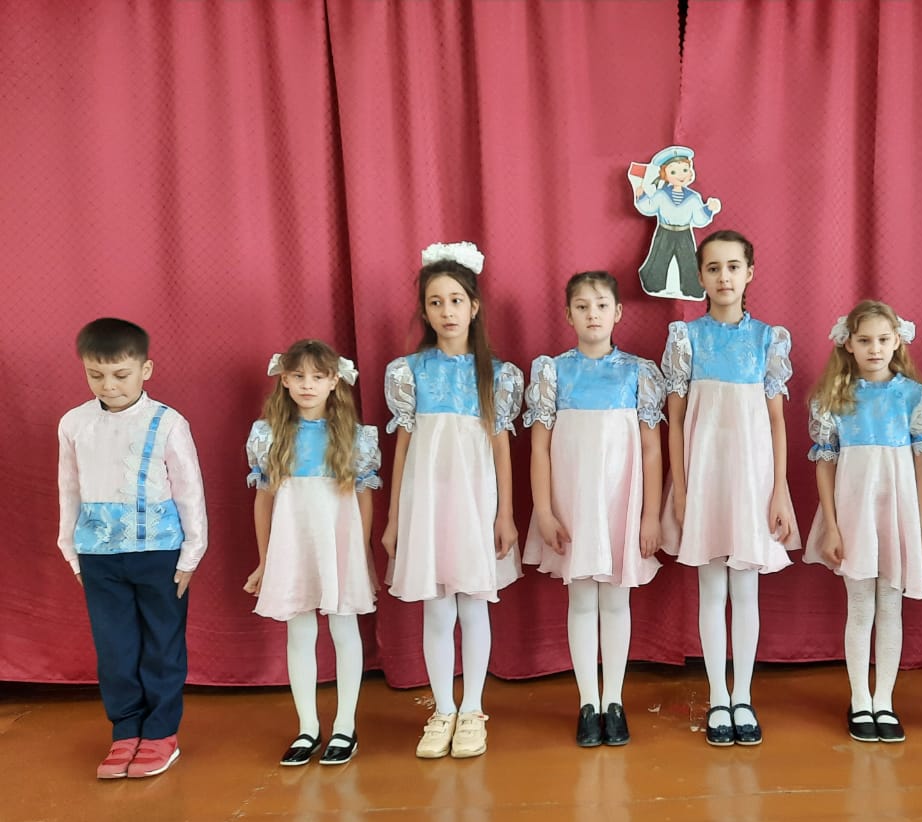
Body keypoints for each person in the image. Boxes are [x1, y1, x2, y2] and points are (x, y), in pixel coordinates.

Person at [383, 241, 523, 760]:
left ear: (474, 307)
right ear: (424, 311)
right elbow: (402, 449)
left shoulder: (498, 375)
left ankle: (473, 710)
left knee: (473, 605)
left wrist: (505, 514)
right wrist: (395, 519)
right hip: (426, 503)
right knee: (437, 610)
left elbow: (501, 448)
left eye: (456, 300)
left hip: (474, 502)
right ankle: (442, 708)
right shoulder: (409, 372)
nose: (447, 311)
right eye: (436, 302)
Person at [661, 229, 800, 746]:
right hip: (704, 476)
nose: (724, 277)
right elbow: (675, 422)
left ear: (749, 273)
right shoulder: (686, 338)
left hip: (752, 479)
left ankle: (743, 695)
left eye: (733, 267)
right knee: (711, 588)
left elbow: (777, 422)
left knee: (746, 589)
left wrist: (779, 490)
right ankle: (718, 696)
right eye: (714, 268)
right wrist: (681, 490)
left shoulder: (768, 339)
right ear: (700, 276)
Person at [57, 317, 207, 778]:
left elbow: (189, 490)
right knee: (115, 647)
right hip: (98, 556)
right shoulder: (75, 423)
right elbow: (69, 488)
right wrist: (70, 549)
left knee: (162, 644)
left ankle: (161, 733)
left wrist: (192, 552)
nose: (109, 385)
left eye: (121, 375)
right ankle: (125, 731)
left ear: (145, 369)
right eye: (96, 375)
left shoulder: (167, 423)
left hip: (159, 554)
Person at [524, 271, 664, 747]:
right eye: (582, 306)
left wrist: (649, 514)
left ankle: (614, 700)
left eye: (601, 305)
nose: (592, 315)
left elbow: (651, 449)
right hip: (575, 503)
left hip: (620, 500)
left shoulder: (638, 373)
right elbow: (539, 448)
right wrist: (544, 511)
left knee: (617, 599)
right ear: (568, 315)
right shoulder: (552, 373)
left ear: (617, 312)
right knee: (582, 600)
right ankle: (588, 701)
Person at [804, 301, 922, 743]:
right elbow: (825, 465)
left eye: (883, 340)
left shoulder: (916, 398)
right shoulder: (834, 400)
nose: (875, 348)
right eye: (865, 340)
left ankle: (884, 699)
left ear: (897, 341)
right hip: (854, 514)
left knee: (891, 605)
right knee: (860, 606)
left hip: (898, 513)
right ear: (848, 344)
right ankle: (859, 699)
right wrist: (831, 526)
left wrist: (916, 522)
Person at [244, 340, 380, 766]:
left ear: (334, 381)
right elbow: (263, 501)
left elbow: (363, 499)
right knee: (300, 632)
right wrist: (265, 561)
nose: (308, 385)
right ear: (284, 380)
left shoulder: (354, 437)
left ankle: (345, 726)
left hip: (338, 545)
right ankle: (307, 727)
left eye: (318, 377)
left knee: (344, 629)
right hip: (292, 543)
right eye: (298, 376)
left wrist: (360, 557)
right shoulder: (268, 435)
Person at [634, 146, 721, 299]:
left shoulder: (693, 197)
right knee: (659, 257)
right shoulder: (661, 194)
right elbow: (649, 207)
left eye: (685, 170)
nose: (680, 175)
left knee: (688, 260)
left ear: (690, 172)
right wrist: (641, 197)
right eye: (673, 172)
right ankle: (654, 284)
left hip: (684, 233)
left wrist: (708, 209)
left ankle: (692, 288)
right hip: (664, 232)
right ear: (665, 175)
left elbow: (699, 218)